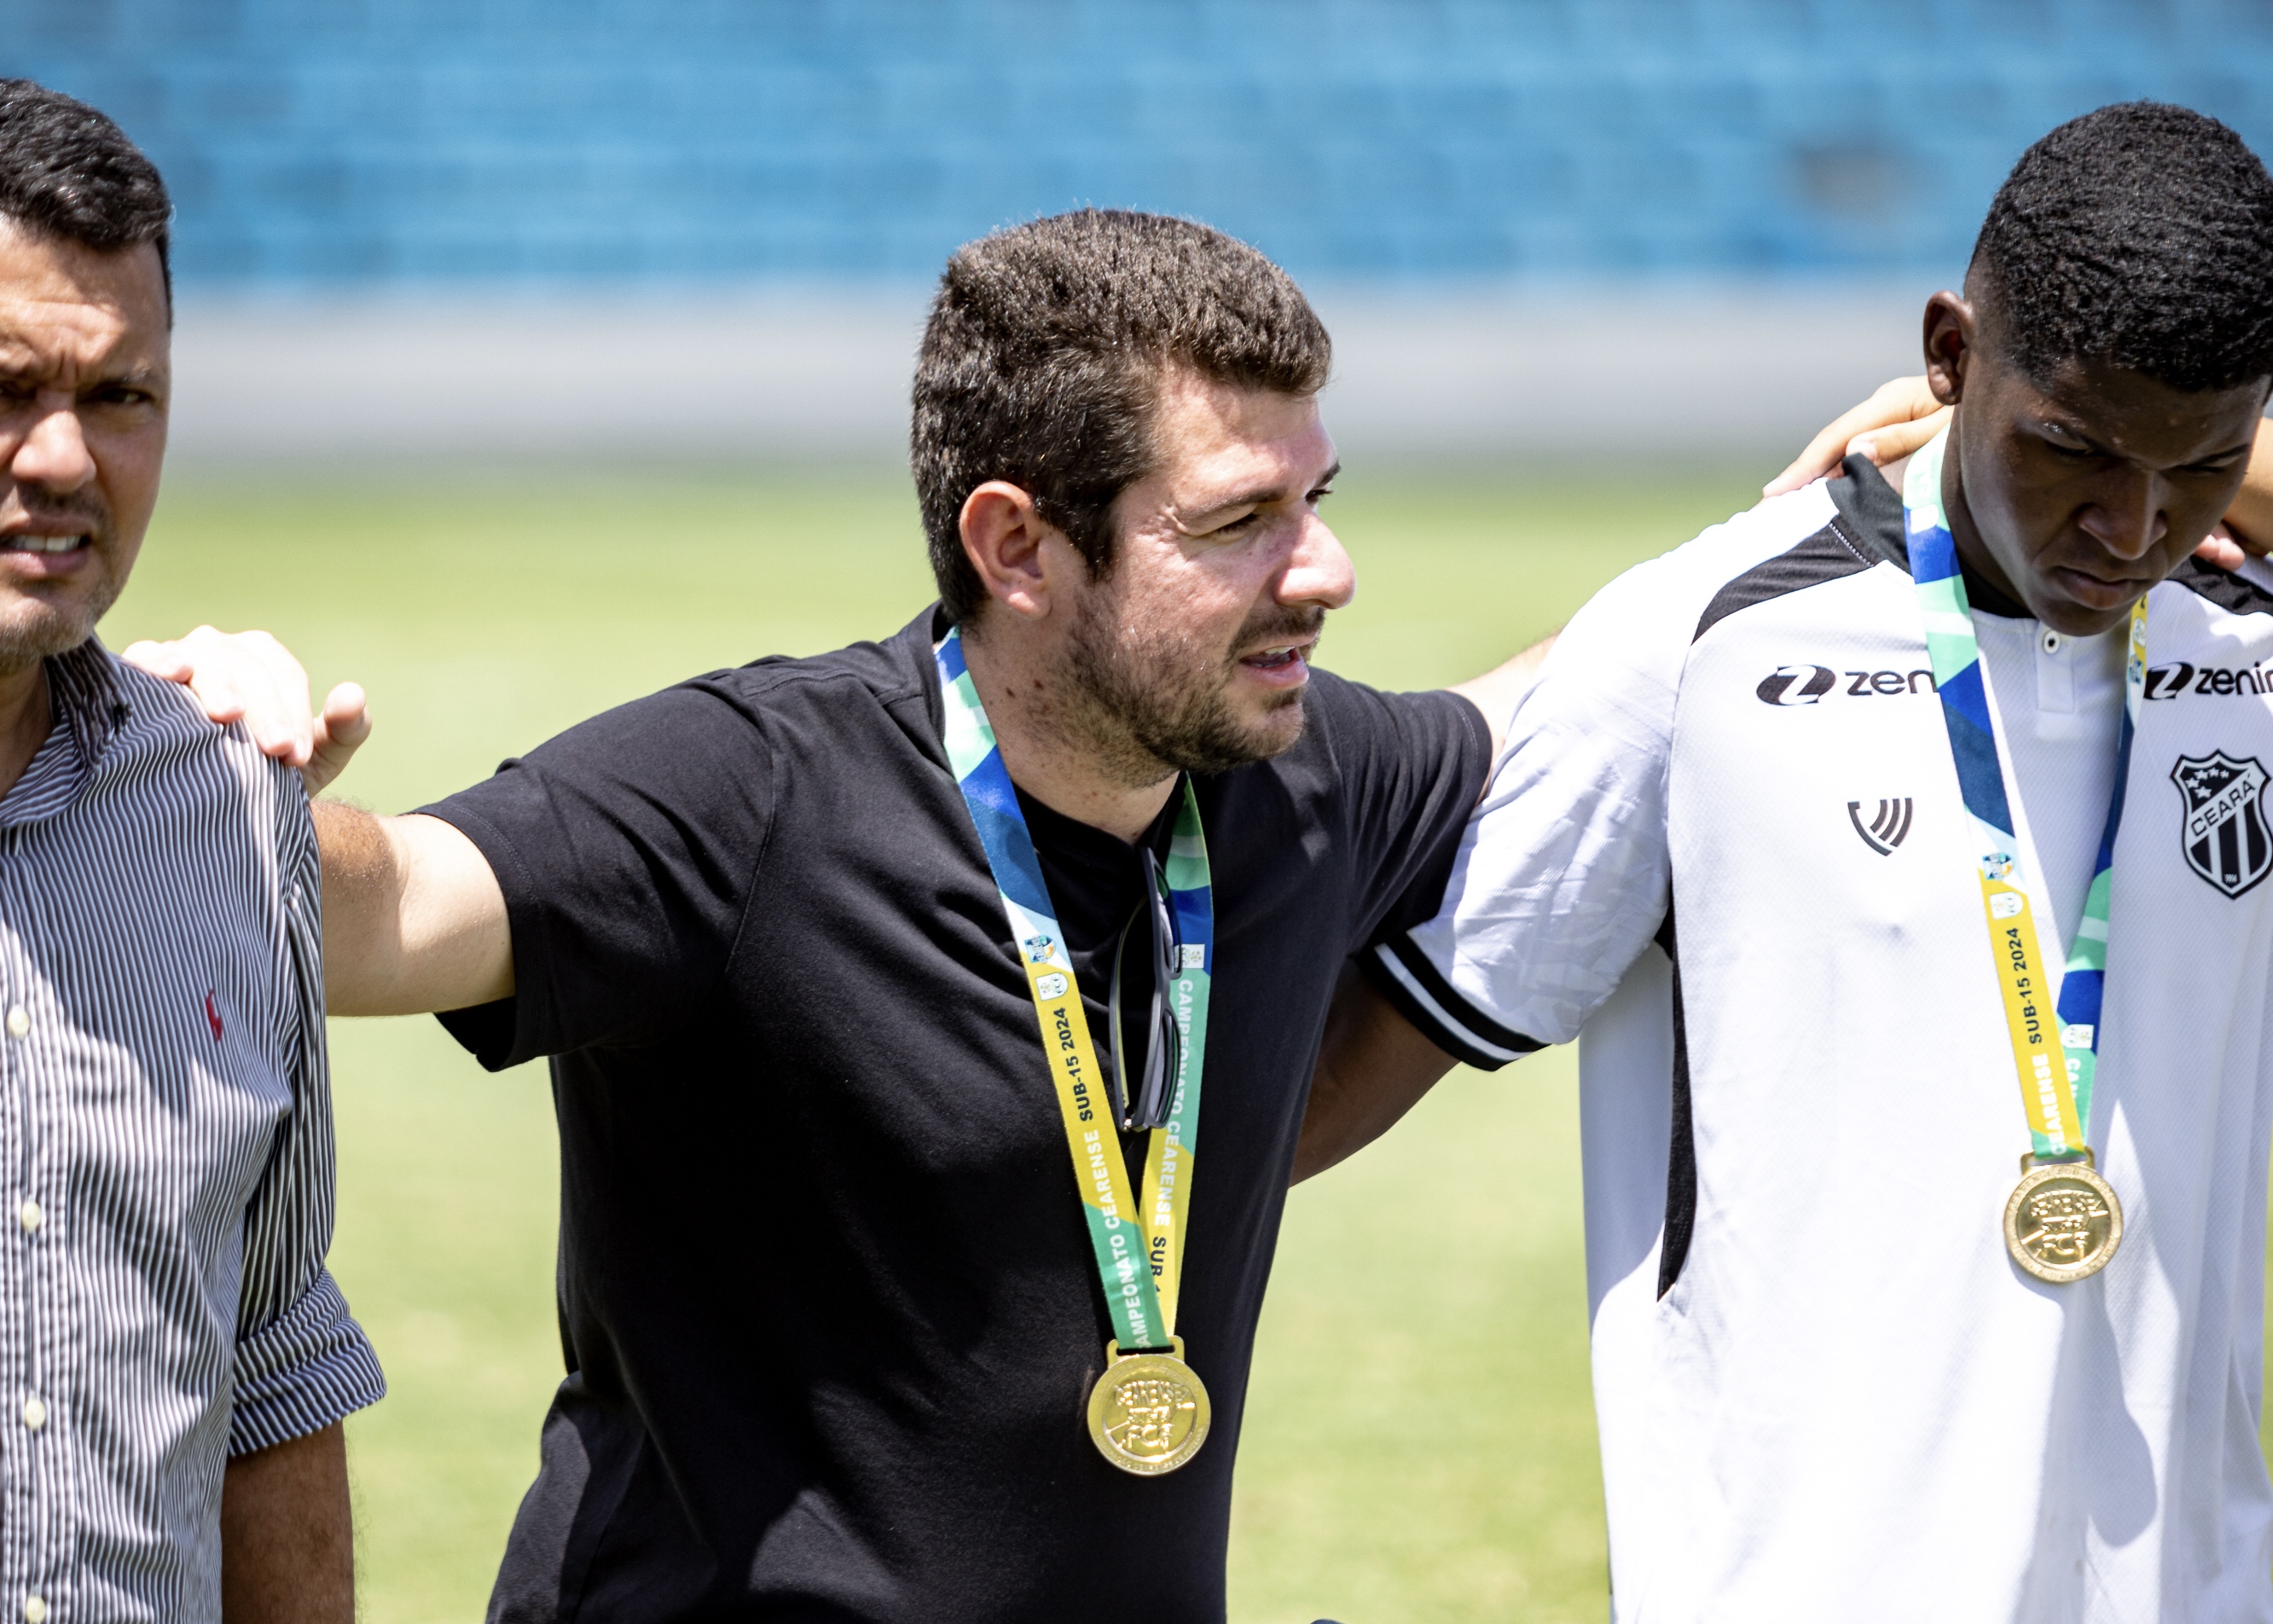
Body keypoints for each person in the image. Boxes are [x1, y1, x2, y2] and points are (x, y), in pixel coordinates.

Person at [137, 218, 1961, 1615]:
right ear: (1017, 546)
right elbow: (390, 909)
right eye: (1240, 521)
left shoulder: (1300, 773)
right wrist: (210, 759)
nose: (1322, 574)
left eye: (1317, 502)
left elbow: (1543, 700)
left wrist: (1779, 538)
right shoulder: (743, 794)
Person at [1304, 102, 2273, 1619]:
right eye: (2071, 450)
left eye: (2201, 465)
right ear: (1949, 357)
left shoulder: (2247, 649)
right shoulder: (1698, 644)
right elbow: (1350, 1076)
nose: (2131, 526)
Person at [0, 81, 384, 1624]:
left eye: (121, 397)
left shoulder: (229, 811)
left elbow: (272, 1355)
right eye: (8, 385)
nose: (63, 461)